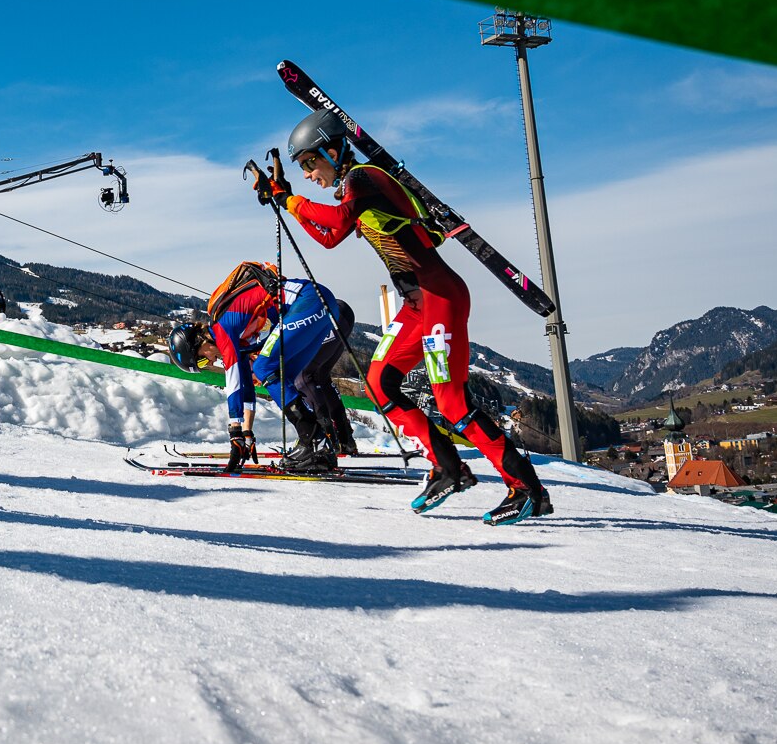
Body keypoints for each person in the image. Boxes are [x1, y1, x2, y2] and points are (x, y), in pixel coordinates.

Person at [249, 113, 553, 524]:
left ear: (332, 151)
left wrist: (288, 200)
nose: (307, 174)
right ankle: (448, 468)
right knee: (379, 384)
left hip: (440, 297)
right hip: (416, 305)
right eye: (301, 167)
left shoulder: (364, 178)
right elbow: (328, 237)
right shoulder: (353, 188)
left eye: (309, 163)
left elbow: (334, 223)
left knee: (452, 403)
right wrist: (285, 199)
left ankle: (528, 490)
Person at [169, 262, 360, 475]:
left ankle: (314, 438)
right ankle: (317, 444)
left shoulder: (222, 329)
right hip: (323, 304)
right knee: (284, 378)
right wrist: (246, 433)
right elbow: (246, 389)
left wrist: (234, 431)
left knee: (263, 366)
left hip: (310, 299)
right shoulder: (239, 343)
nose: (210, 364)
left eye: (201, 361)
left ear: (199, 342)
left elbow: (232, 383)